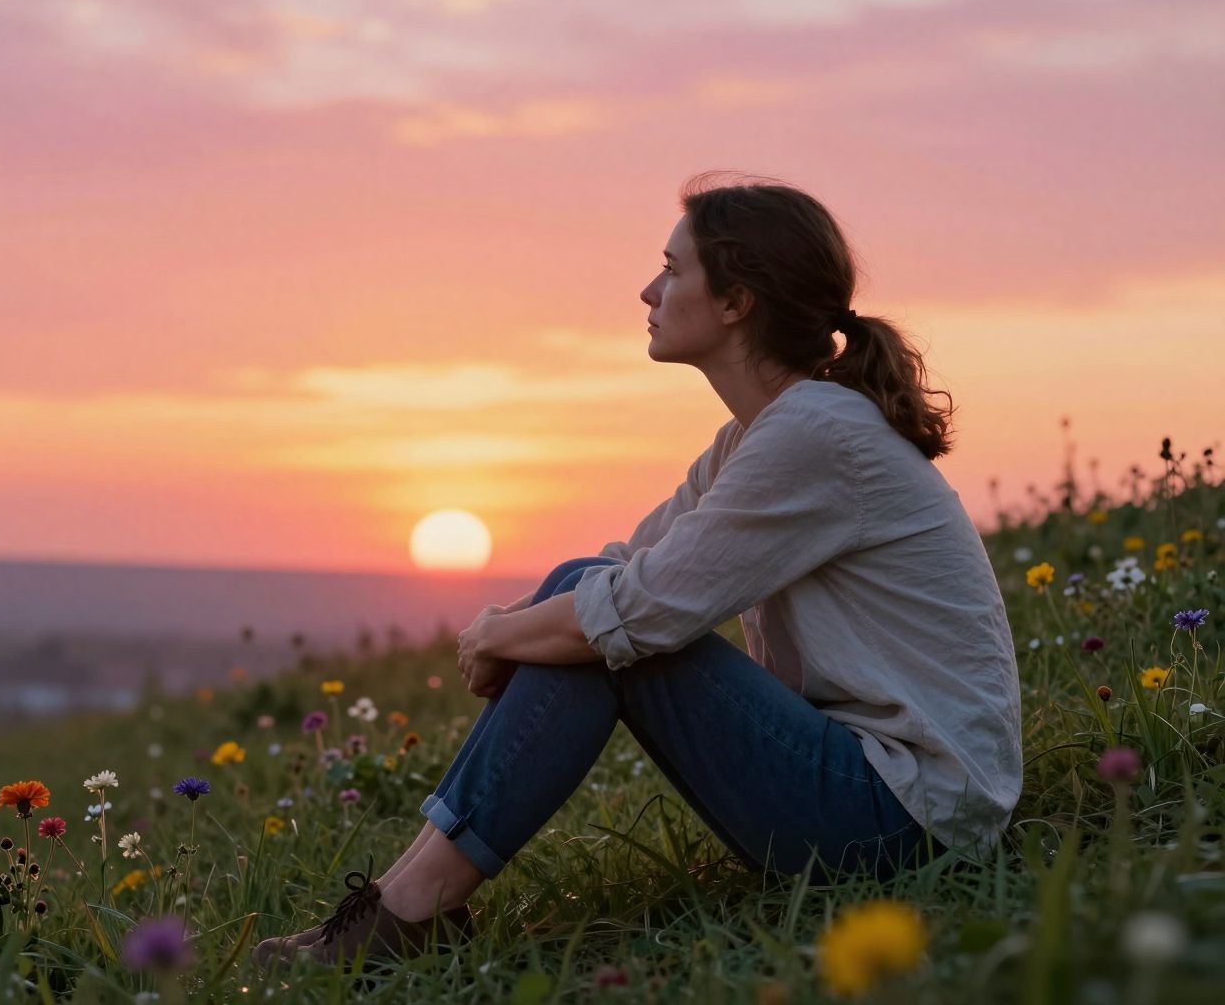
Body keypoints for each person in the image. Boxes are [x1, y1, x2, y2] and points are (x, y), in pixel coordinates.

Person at [252, 172, 1023, 974]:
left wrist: (498, 633)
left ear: (736, 302)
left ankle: (407, 916)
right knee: (588, 597)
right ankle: (396, 907)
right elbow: (631, 564)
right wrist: (519, 628)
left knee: (607, 627)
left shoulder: (818, 433)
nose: (648, 289)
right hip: (868, 797)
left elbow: (638, 607)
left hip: (908, 822)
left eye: (672, 268)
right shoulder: (759, 437)